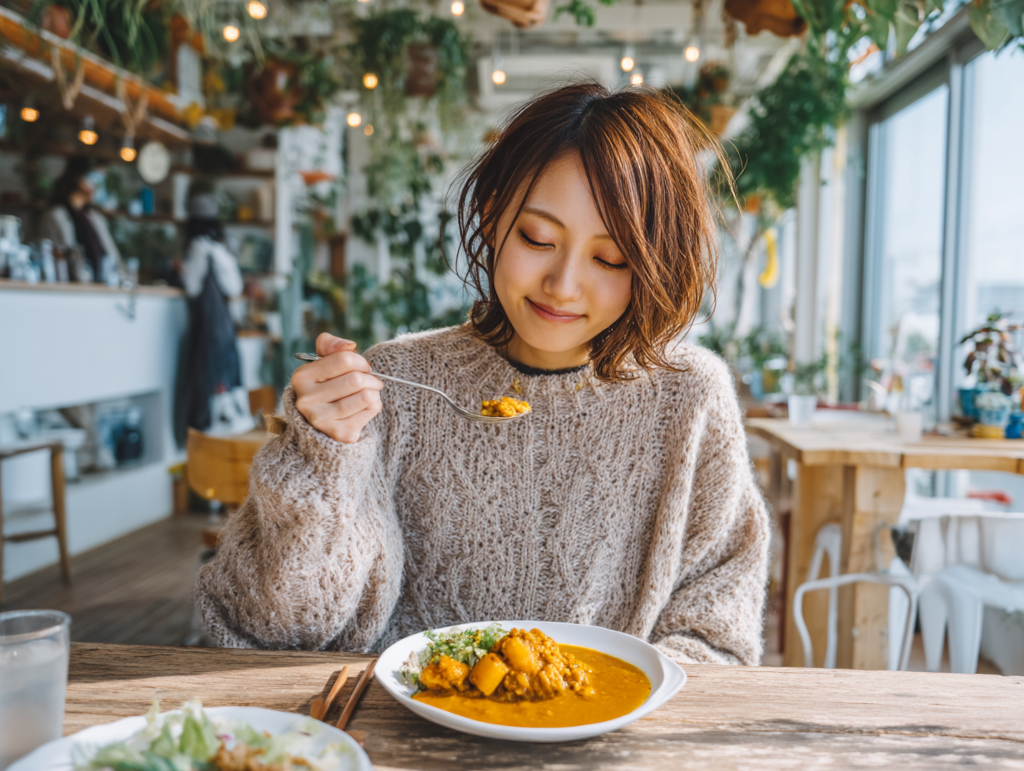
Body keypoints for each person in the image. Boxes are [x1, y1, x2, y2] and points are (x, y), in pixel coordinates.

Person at [197, 83, 770, 666]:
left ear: (654, 260)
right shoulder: (396, 383)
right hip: (404, 734)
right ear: (493, 214)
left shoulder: (689, 395)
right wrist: (324, 456)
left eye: (610, 258)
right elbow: (270, 630)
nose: (563, 285)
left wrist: (622, 707)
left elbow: (715, 632)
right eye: (537, 238)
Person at [176, 190, 253, 439]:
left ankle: (208, 441)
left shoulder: (198, 249)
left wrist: (179, 270)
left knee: (206, 380)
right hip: (225, 329)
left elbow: (192, 287)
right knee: (227, 378)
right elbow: (235, 288)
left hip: (206, 330)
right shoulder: (221, 251)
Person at [41, 156, 121, 282]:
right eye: (97, 178)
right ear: (80, 179)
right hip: (72, 291)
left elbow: (112, 256)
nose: (100, 185)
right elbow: (54, 258)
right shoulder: (56, 216)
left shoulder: (95, 218)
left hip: (101, 289)